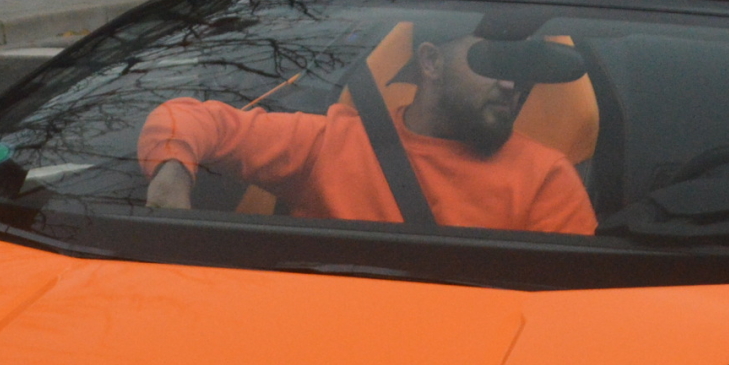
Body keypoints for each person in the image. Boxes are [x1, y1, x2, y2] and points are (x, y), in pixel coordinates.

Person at [139, 30, 596, 234]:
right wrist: (172, 174)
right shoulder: (334, 143)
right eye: (493, 62)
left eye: (520, 69)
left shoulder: (546, 179)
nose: (512, 83)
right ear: (431, 62)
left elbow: (567, 316)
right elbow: (192, 119)